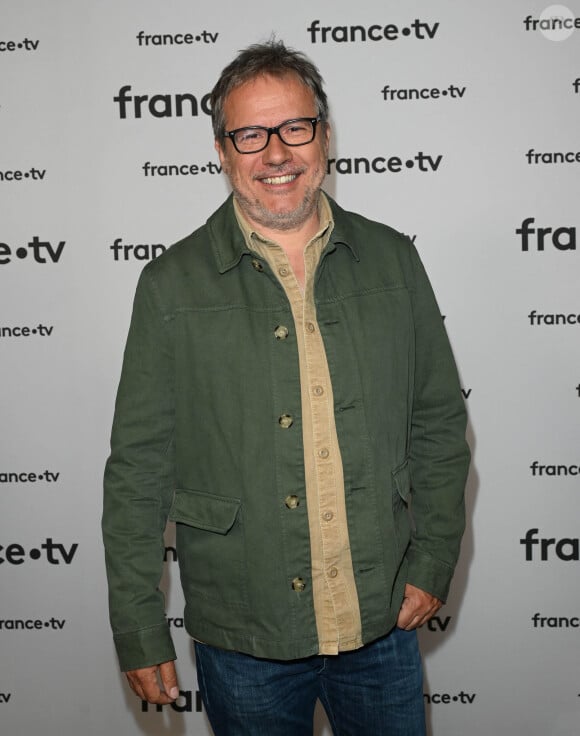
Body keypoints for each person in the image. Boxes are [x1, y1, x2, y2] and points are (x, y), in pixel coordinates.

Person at [102, 39, 470, 736]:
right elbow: (138, 469)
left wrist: (433, 557)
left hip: (381, 616)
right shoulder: (171, 286)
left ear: (324, 136)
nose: (276, 152)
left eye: (295, 127)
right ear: (222, 150)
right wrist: (137, 624)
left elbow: (439, 424)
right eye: (250, 134)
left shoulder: (392, 259)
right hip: (244, 635)